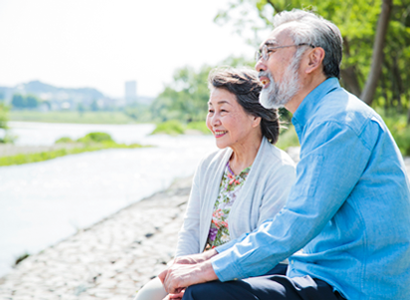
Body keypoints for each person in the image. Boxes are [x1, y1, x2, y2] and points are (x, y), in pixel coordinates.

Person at [159, 9, 410, 300]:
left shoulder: (337, 122)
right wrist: (204, 258)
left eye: (270, 51)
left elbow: (295, 223)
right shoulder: (324, 117)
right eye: (260, 53)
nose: (259, 65)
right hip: (320, 273)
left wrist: (208, 268)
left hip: (352, 287)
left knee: (203, 294)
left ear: (312, 60)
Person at [134, 68, 296, 300]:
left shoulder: (280, 169)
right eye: (211, 110)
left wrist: (198, 274)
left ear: (254, 117)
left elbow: (263, 249)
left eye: (223, 110)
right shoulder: (209, 164)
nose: (213, 121)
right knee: (145, 296)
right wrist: (179, 277)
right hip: (198, 268)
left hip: (245, 277)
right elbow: (191, 228)